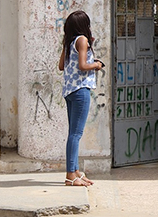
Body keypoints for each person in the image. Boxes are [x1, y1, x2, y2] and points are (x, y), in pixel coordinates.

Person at [58, 10, 102, 186]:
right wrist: (97, 65)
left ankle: (75, 171)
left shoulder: (68, 42)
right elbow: (83, 65)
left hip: (69, 91)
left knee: (73, 133)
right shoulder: (82, 40)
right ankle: (70, 174)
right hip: (80, 90)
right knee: (76, 134)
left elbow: (61, 66)